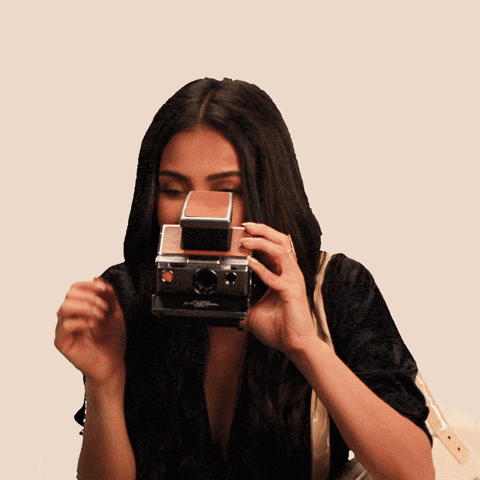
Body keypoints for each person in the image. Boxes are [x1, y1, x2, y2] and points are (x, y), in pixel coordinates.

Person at [55, 78, 435, 480]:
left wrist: (306, 346)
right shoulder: (129, 294)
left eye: (228, 190)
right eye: (173, 189)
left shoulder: (337, 287)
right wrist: (105, 384)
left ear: (269, 189)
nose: (196, 212)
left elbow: (413, 473)